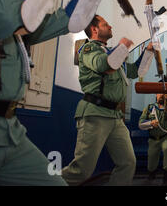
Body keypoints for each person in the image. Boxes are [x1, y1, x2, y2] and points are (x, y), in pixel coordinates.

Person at [0, 0, 108, 185]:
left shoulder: (16, 18)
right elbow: (5, 15)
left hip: (9, 131)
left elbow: (65, 21)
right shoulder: (3, 12)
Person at [61, 15, 154, 186]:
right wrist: (122, 47)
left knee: (127, 163)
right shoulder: (89, 49)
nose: (110, 26)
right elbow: (104, 65)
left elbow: (134, 71)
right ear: (95, 30)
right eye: (105, 24)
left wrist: (148, 51)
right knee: (81, 170)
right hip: (95, 113)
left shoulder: (110, 53)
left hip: (114, 116)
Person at [138, 93, 167, 185]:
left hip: (166, 136)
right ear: (156, 95)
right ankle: (151, 173)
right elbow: (140, 124)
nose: (161, 95)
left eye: (164, 94)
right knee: (151, 160)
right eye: (159, 93)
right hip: (153, 139)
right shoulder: (149, 108)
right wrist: (150, 123)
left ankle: (166, 175)